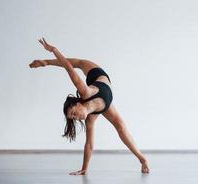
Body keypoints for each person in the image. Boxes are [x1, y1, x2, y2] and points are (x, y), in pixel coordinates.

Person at [29, 38, 149, 175]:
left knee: (79, 63)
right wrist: (84, 169)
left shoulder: (85, 92)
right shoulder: (90, 119)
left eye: (74, 113)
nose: (76, 118)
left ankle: (45, 62)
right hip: (104, 103)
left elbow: (69, 67)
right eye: (73, 118)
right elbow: (89, 145)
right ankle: (143, 159)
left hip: (96, 75)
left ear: (78, 103)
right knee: (121, 127)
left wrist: (51, 53)